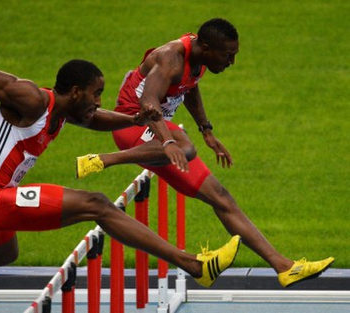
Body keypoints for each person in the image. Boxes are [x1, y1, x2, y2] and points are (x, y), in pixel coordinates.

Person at [0, 60, 241, 297]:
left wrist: (133, 119)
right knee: (97, 205)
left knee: (3, 254)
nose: (98, 101)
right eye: (95, 94)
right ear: (75, 91)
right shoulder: (30, 99)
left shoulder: (63, 112)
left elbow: (96, 118)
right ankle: (192, 264)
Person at [75, 18, 334, 287]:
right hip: (134, 123)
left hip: (157, 127)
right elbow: (148, 102)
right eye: (228, 55)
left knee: (221, 196)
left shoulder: (197, 59)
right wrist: (167, 142)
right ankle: (103, 160)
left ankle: (284, 267)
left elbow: (189, 86)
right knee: (186, 149)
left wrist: (206, 130)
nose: (231, 62)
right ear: (207, 48)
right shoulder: (170, 59)